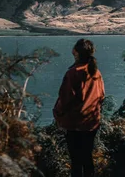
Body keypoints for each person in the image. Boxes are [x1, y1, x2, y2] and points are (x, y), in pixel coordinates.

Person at [53, 38, 105, 177]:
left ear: (75, 52)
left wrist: (57, 115)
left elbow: (65, 99)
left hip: (74, 123)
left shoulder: (73, 73)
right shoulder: (96, 73)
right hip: (91, 122)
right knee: (87, 159)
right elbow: (101, 96)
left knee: (76, 162)